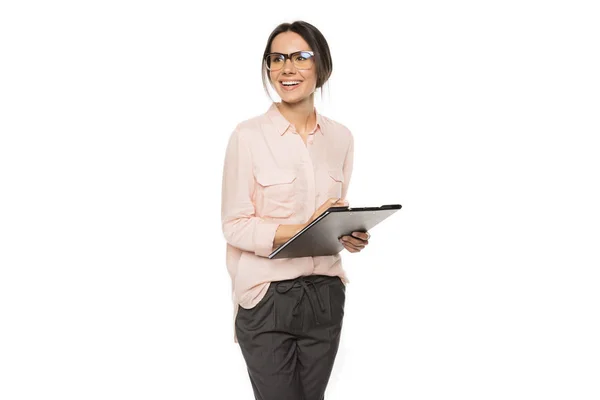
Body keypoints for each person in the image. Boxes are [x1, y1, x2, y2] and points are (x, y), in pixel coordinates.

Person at [220, 20, 371, 400]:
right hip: (267, 297)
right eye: (277, 58)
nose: (287, 68)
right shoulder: (248, 136)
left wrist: (346, 234)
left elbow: (331, 215)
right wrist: (307, 226)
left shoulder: (341, 138)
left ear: (322, 67)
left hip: (325, 294)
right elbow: (235, 227)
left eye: (301, 57)